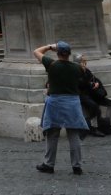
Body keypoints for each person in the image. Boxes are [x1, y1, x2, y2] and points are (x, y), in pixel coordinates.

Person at [33, 41, 87, 175]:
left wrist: (50, 46)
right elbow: (83, 69)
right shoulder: (78, 68)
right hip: (72, 103)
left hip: (55, 102)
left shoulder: (51, 64)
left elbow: (36, 51)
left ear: (57, 53)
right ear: (69, 54)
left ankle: (49, 164)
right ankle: (77, 166)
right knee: (73, 135)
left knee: (52, 134)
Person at [76, 54, 111, 136]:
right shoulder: (75, 72)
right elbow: (81, 84)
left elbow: (94, 79)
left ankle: (106, 126)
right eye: (82, 62)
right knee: (94, 107)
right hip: (82, 95)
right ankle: (93, 128)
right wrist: (91, 84)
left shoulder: (87, 71)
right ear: (77, 63)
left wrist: (97, 84)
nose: (84, 64)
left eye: (84, 62)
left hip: (92, 94)